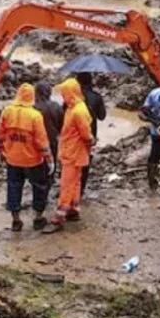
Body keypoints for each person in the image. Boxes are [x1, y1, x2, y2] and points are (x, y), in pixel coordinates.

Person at [0, 84, 53, 232]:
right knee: (39, 187)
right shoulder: (35, 116)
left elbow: (0, 135)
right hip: (33, 160)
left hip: (13, 159)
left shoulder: (7, 112)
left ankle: (16, 220)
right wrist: (49, 159)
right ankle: (38, 218)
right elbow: (42, 141)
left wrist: (0, 151)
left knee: (14, 187)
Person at [47, 78, 94, 231]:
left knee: (67, 184)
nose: (63, 97)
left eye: (64, 94)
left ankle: (60, 215)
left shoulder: (78, 110)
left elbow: (86, 135)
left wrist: (89, 143)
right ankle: (73, 209)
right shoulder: (73, 108)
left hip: (73, 152)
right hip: (72, 151)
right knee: (75, 182)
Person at [75, 73, 106, 195]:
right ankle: (81, 188)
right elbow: (102, 116)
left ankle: (72, 186)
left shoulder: (72, 97)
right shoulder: (96, 97)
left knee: (72, 161)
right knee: (85, 160)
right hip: (90, 134)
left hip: (73, 134)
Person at [34, 81, 63, 159]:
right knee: (52, 163)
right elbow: (61, 126)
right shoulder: (56, 106)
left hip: (36, 141)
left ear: (36, 93)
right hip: (52, 139)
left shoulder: (33, 108)